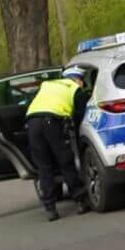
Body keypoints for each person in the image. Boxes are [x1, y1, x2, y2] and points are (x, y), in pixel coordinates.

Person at [24, 66, 90, 221]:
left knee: (44, 166)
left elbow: (30, 103)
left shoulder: (47, 85)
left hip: (32, 123)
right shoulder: (74, 89)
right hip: (51, 123)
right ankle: (80, 200)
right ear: (77, 79)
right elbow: (81, 115)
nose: (82, 84)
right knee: (65, 161)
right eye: (82, 81)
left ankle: (50, 209)